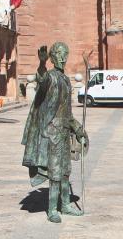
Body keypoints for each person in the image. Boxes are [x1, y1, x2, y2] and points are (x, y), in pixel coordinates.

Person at [21, 42, 88, 223]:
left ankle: (65, 205)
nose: (62, 57)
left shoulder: (66, 80)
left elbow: (67, 112)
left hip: (64, 131)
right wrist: (42, 65)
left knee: (65, 171)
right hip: (51, 133)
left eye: (65, 53)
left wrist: (78, 129)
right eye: (58, 53)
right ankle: (52, 209)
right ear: (51, 57)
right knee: (55, 172)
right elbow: (42, 82)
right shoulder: (50, 77)